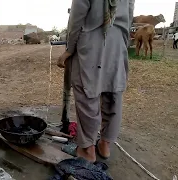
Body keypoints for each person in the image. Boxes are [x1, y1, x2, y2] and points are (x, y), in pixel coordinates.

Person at [57, 0, 135, 163]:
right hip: (118, 40)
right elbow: (129, 12)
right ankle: (105, 144)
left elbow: (77, 18)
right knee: (113, 91)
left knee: (87, 94)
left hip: (90, 40)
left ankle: (87, 149)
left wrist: (69, 50)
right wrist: (122, 44)